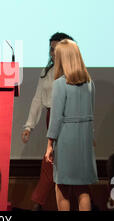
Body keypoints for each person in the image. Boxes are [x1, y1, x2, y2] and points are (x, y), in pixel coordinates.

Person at [21, 32, 74, 211]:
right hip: (52, 117)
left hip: (69, 120)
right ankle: (39, 204)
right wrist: (29, 125)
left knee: (63, 165)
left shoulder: (74, 73)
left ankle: (38, 204)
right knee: (51, 163)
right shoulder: (47, 72)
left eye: (57, 49)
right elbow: (37, 100)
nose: (53, 53)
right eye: (51, 49)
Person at [44, 39, 98, 211]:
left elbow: (56, 117)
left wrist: (49, 144)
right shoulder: (89, 82)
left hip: (67, 139)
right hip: (85, 138)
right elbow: (92, 112)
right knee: (82, 189)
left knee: (62, 187)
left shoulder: (60, 83)